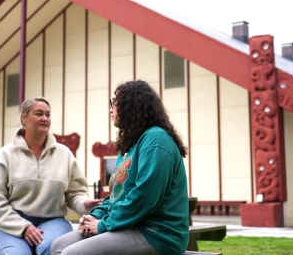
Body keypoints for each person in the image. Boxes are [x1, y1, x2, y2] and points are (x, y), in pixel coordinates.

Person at [51, 80, 190, 255]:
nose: (110, 109)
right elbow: (117, 196)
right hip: (129, 225)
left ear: (132, 105)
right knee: (58, 246)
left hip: (157, 234)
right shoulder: (129, 145)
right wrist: (96, 216)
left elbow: (145, 196)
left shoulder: (156, 140)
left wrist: (103, 225)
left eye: (114, 103)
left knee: (72, 253)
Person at [0, 96, 100, 255]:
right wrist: (23, 227)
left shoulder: (64, 154)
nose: (45, 118)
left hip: (53, 221)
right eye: (39, 114)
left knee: (50, 249)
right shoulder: (5, 156)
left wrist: (85, 204)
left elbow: (75, 192)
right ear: (23, 118)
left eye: (48, 114)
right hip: (10, 224)